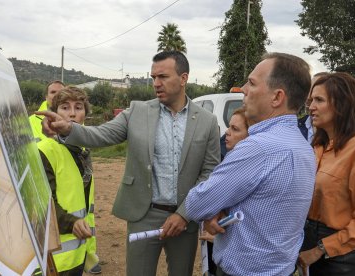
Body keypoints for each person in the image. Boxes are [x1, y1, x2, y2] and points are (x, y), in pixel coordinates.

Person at [37, 51, 220, 276]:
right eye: (153, 77)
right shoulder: (137, 111)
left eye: (163, 77)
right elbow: (100, 135)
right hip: (143, 215)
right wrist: (67, 129)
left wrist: (184, 214)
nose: (156, 83)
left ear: (183, 78)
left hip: (185, 218)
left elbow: (210, 172)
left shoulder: (207, 121)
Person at [185, 52, 316, 275]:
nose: (244, 89)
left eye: (252, 83)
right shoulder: (303, 146)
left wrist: (213, 209)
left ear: (277, 97)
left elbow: (197, 204)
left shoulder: (258, 148)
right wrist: (223, 208)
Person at [297, 72, 355, 276]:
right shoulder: (319, 146)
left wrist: (321, 249)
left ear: (341, 105)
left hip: (342, 262)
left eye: (319, 100)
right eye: (311, 100)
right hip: (311, 251)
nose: (310, 107)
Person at [37, 86, 96, 275]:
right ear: (54, 113)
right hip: (54, 258)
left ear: (85, 113)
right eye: (64, 107)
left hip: (78, 252)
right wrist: (72, 223)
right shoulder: (46, 150)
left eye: (78, 107)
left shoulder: (83, 150)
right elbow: (42, 204)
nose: (72, 114)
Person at [200, 107, 249, 275]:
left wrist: (218, 237)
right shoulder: (228, 158)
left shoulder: (243, 169)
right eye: (229, 126)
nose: (227, 133)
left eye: (235, 129)